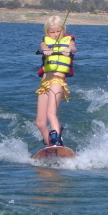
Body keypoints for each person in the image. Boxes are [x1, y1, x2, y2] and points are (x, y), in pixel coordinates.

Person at [35, 15, 77, 147]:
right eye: (51, 32)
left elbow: (73, 48)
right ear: (47, 32)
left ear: (63, 30)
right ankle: (50, 146)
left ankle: (57, 142)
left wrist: (69, 50)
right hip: (44, 83)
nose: (55, 34)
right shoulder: (45, 42)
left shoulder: (69, 41)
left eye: (58, 31)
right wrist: (46, 50)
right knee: (40, 123)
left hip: (58, 81)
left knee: (51, 113)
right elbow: (42, 46)